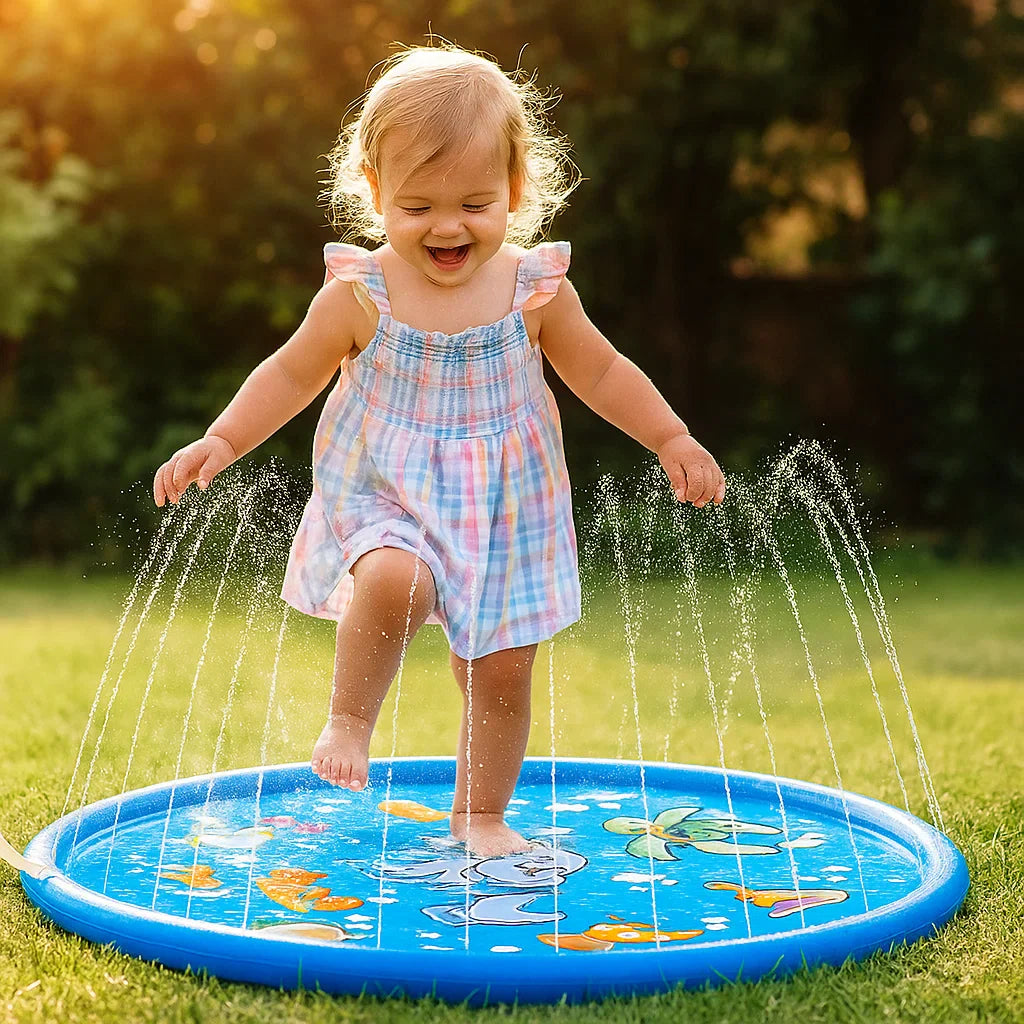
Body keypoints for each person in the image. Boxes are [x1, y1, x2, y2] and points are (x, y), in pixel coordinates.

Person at [152, 42, 726, 857]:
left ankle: (480, 814)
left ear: (515, 193)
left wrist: (670, 435)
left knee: (501, 673)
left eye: (474, 204)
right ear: (376, 192)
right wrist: (224, 437)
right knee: (395, 577)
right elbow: (289, 374)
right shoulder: (361, 293)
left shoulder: (535, 287)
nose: (447, 227)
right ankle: (350, 722)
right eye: (417, 206)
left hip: (511, 502)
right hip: (386, 483)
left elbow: (599, 369)